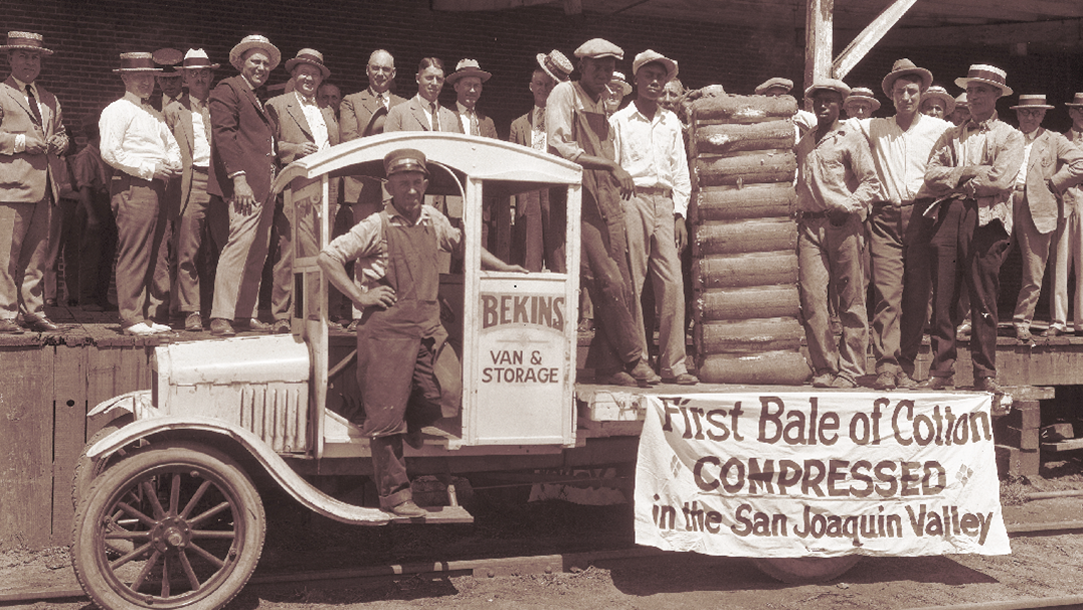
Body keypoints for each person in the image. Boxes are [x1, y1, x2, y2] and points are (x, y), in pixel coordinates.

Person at [318, 148, 525, 517]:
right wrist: (361, 295)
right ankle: (396, 496)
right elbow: (328, 258)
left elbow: (464, 245)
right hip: (386, 331)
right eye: (403, 184)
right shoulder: (376, 225)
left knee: (445, 389)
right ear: (390, 187)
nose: (411, 190)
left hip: (427, 326)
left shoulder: (433, 219)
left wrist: (503, 265)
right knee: (385, 418)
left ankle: (412, 423)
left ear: (425, 185)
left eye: (417, 183)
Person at [546, 37, 658, 387]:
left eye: (609, 67)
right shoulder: (564, 94)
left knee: (618, 282)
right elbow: (560, 146)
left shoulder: (602, 105)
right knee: (606, 280)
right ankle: (635, 357)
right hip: (578, 198)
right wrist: (610, 166)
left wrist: (610, 175)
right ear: (582, 66)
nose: (604, 73)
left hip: (606, 201)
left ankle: (609, 364)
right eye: (598, 66)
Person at [921, 64, 1024, 392]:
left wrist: (961, 177)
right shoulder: (951, 134)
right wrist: (969, 172)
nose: (975, 96)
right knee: (945, 299)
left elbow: (1002, 178)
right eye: (971, 90)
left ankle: (985, 375)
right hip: (949, 216)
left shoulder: (1010, 135)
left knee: (984, 299)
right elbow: (932, 174)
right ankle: (941, 371)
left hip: (987, 221)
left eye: (982, 90)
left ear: (997, 95)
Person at [854, 58, 953, 390]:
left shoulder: (941, 130)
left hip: (923, 215)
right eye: (899, 92)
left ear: (922, 93)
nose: (906, 97)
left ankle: (906, 365)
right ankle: (885, 364)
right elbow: (834, 126)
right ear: (891, 95)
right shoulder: (876, 127)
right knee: (887, 292)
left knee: (917, 295)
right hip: (884, 216)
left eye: (912, 91)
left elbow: (960, 157)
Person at [610, 50, 698, 385]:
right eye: (648, 76)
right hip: (632, 201)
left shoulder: (671, 122)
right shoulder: (620, 121)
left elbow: (680, 173)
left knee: (673, 283)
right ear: (636, 79)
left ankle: (674, 363)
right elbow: (613, 170)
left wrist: (679, 214)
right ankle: (638, 361)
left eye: (660, 77)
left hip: (664, 203)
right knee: (634, 281)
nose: (655, 82)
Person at [795, 78, 880, 388]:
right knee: (813, 298)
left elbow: (871, 182)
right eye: (818, 101)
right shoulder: (805, 142)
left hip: (842, 224)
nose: (823, 106)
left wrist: (850, 206)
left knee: (851, 299)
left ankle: (852, 369)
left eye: (829, 101)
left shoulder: (851, 138)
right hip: (810, 226)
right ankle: (825, 367)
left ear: (840, 105)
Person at [99, 52, 182, 335]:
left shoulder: (153, 113)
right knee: (134, 249)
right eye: (140, 76)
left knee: (156, 251)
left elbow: (171, 146)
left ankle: (149, 314)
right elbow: (110, 151)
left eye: (151, 76)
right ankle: (130, 317)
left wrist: (171, 163)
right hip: (133, 185)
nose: (147, 82)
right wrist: (148, 168)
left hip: (159, 185)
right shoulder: (117, 110)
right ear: (124, 77)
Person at [207, 34, 280, 337]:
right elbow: (224, 135)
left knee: (257, 252)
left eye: (265, 63)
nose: (261, 67)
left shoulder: (256, 96)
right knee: (238, 247)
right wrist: (239, 178)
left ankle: (243, 313)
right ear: (240, 62)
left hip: (266, 183)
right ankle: (221, 315)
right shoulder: (228, 89)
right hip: (246, 184)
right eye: (255, 61)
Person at [266, 48, 340, 334]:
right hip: (295, 185)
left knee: (322, 252)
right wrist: (295, 150)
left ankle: (314, 312)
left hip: (326, 187)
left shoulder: (326, 110)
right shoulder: (277, 104)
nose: (309, 77)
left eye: (315, 73)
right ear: (294, 74)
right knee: (288, 250)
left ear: (321, 78)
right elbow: (268, 147)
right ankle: (282, 314)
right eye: (304, 72)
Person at [0, 31, 68, 334]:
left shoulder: (50, 99)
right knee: (5, 256)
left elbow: (63, 133)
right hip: (11, 187)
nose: (30, 62)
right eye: (24, 56)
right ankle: (4, 313)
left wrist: (61, 142)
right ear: (10, 58)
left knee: (36, 257)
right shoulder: (1, 92)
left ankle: (33, 311)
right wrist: (20, 142)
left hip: (44, 187)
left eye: (35, 57)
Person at [163, 48, 228, 332]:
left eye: (204, 73)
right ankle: (191, 310)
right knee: (188, 249)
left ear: (211, 76)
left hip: (222, 183)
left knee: (227, 248)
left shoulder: (223, 106)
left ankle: (225, 311)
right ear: (185, 78)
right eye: (193, 74)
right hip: (192, 182)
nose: (199, 78)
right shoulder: (173, 111)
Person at [1008, 94, 1083, 340]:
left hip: (1040, 204)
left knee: (1034, 269)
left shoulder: (1053, 139)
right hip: (1005, 203)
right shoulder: (1006, 136)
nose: (1031, 117)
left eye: (1036, 113)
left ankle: (1022, 321)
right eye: (1026, 112)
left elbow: (1080, 163)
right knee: (987, 263)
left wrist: (1054, 184)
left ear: (1043, 116)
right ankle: (972, 320)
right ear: (1017, 114)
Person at [508, 49, 573, 272]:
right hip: (529, 194)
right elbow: (513, 168)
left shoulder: (565, 122)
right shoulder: (518, 125)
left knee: (559, 256)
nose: (543, 89)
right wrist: (514, 205)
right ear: (531, 86)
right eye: (539, 84)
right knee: (530, 257)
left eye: (548, 85)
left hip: (554, 192)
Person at [69, 112, 116, 312]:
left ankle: (101, 297)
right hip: (92, 205)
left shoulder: (104, 156)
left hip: (106, 205)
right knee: (90, 254)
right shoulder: (86, 156)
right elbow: (85, 188)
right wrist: (92, 215)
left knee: (106, 253)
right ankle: (87, 299)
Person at [1054, 93, 1083, 337]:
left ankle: (1081, 321)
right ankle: (1058, 320)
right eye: (1079, 109)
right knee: (1061, 261)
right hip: (1064, 200)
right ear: (1071, 112)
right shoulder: (1058, 140)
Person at [384, 57, 462, 133]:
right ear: (418, 78)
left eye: (439, 79)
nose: (434, 83)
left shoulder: (451, 118)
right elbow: (389, 145)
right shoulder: (399, 113)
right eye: (429, 78)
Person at [448, 59, 497, 138]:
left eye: (476, 85)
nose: (472, 90)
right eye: (467, 84)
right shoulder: (445, 117)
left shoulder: (487, 123)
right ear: (456, 87)